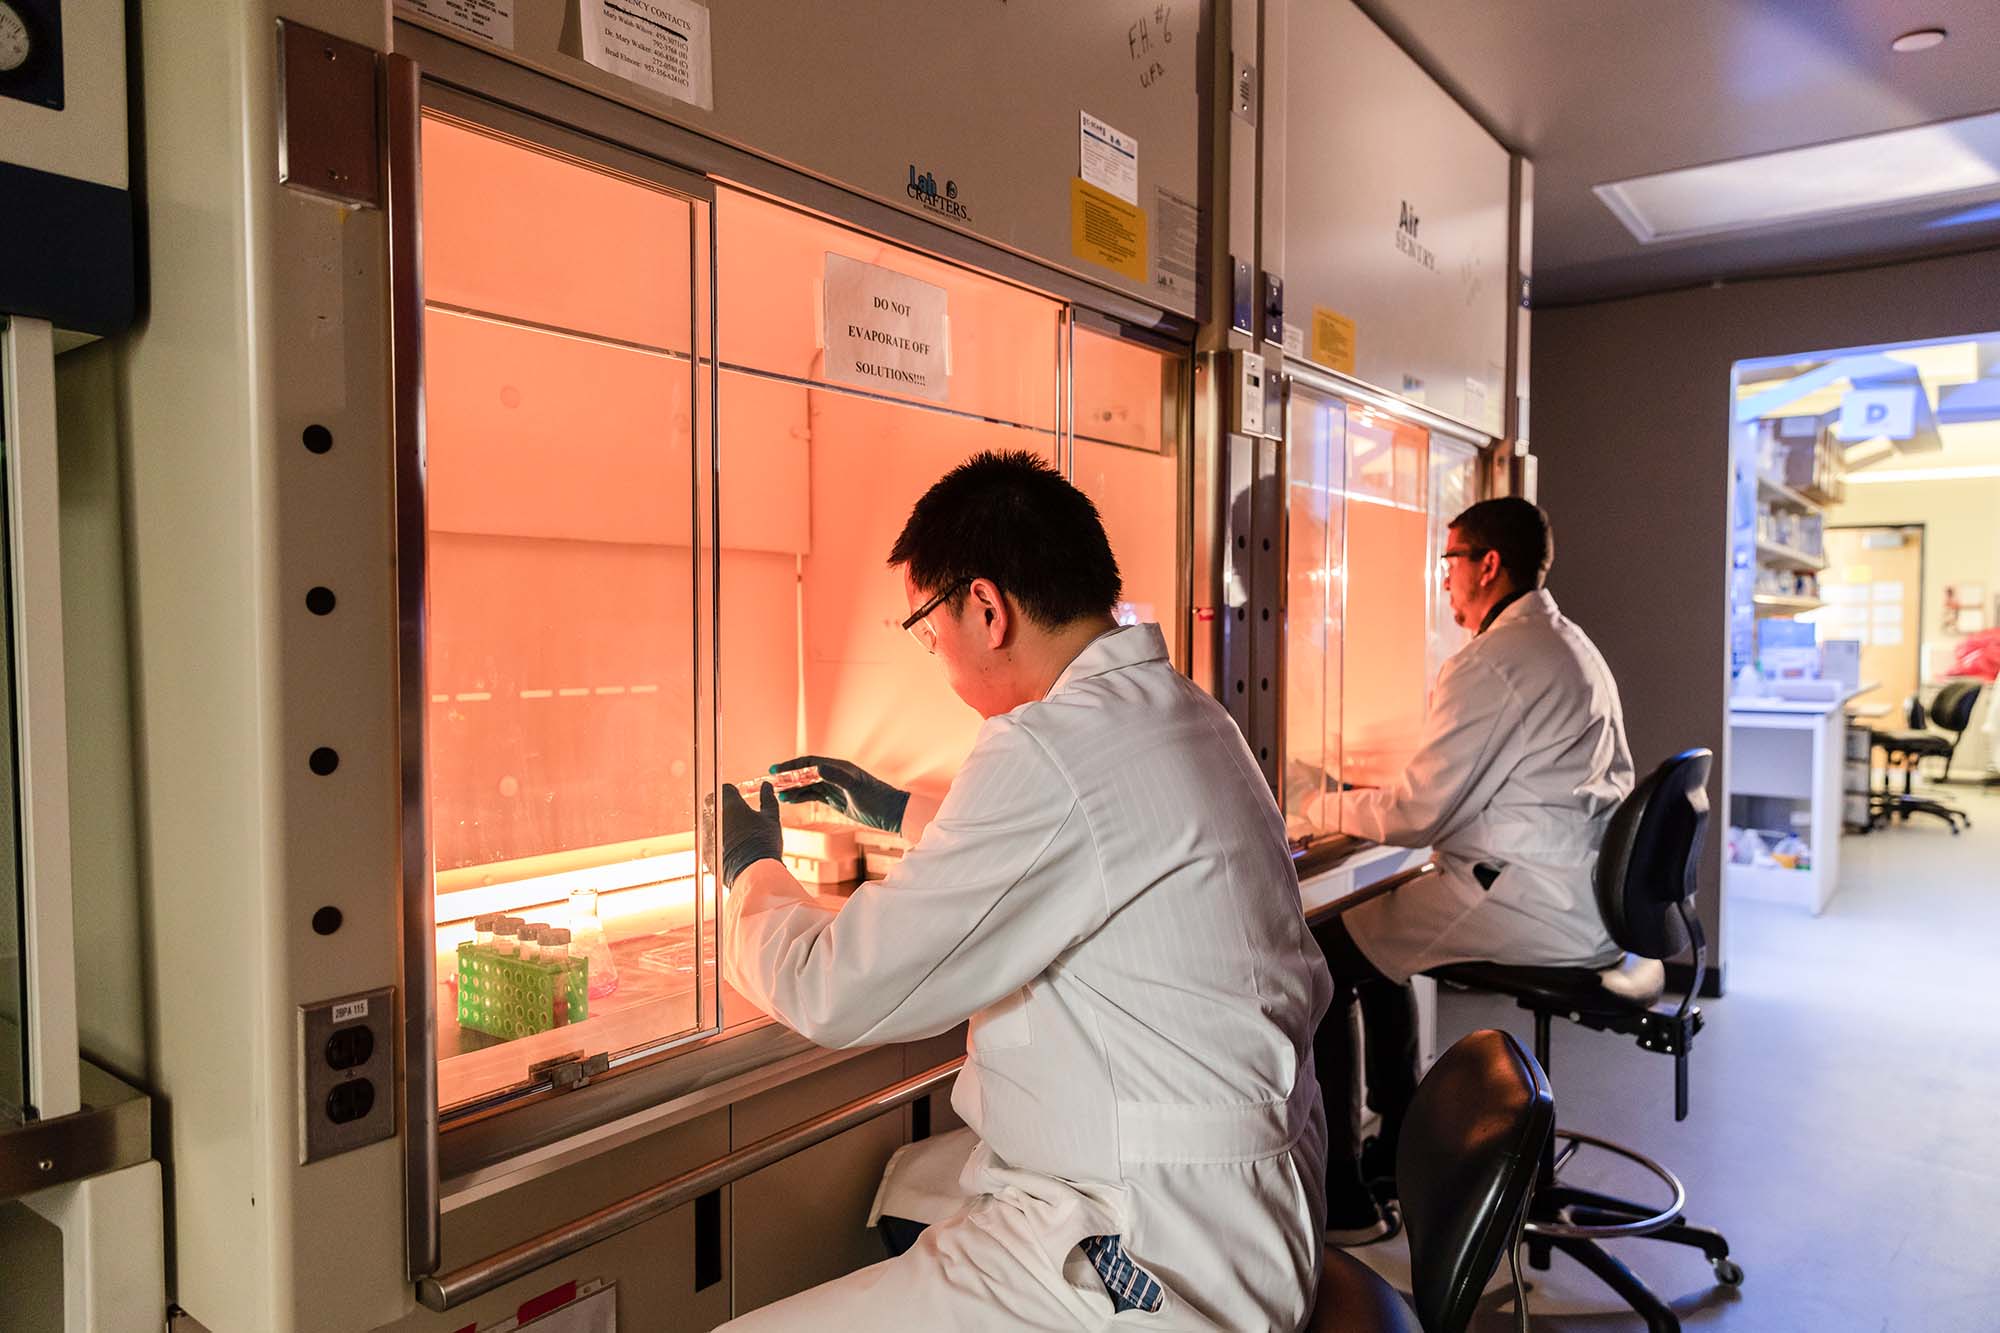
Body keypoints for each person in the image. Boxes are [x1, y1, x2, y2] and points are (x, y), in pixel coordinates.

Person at [712, 450, 1334, 1331]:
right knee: (909, 1188)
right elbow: (1078, 853)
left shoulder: (1049, 748)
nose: (935, 655)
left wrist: (750, 871)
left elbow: (833, 987)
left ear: (987, 607)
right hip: (1248, 1213)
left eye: (928, 631)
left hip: (1150, 1256)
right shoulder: (1186, 714)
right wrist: (895, 807)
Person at [1314, 496, 1634, 1243]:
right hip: (1571, 887)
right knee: (1377, 942)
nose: (1445, 581)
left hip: (1529, 894)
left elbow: (1415, 816)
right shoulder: (1565, 642)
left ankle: (1345, 1199)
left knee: (1323, 957)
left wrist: (1318, 799)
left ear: (1488, 565)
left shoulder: (1493, 662)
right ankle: (1394, 1151)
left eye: (1449, 562)